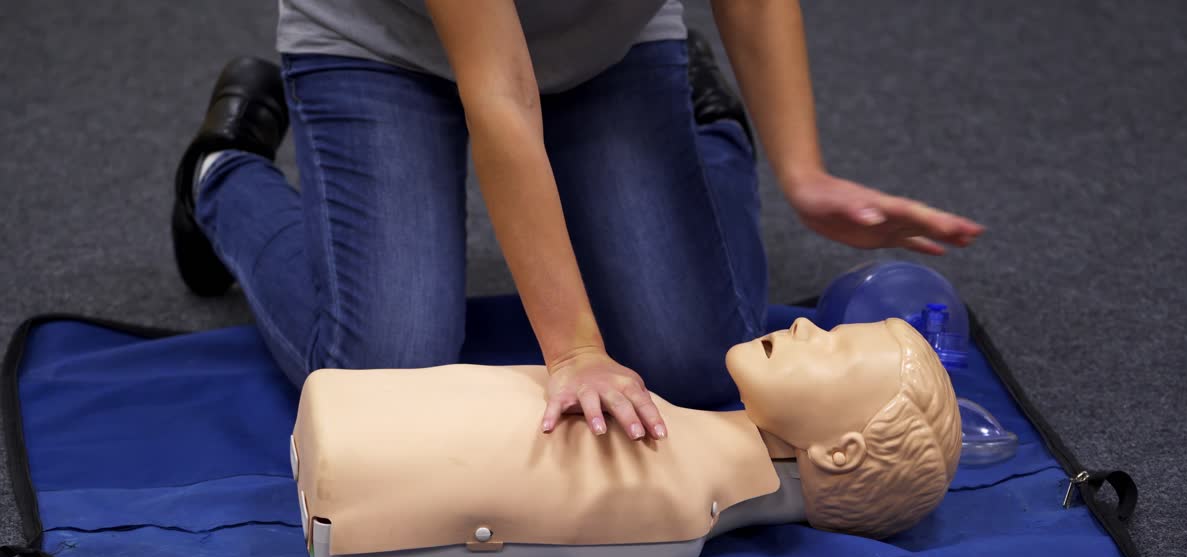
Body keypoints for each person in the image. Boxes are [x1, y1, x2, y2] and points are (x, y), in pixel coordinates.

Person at [172, 0, 983, 444]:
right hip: (380, 43)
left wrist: (803, 174)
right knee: (387, 374)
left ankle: (706, 127)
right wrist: (575, 350)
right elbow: (501, 94)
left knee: (697, 369)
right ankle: (224, 176)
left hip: (608, 45)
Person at [293, 317, 962, 557]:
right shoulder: (675, 468)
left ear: (841, 453)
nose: (805, 322)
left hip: (352, 489)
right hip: (347, 436)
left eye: (836, 349)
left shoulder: (674, 513)